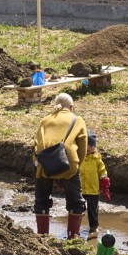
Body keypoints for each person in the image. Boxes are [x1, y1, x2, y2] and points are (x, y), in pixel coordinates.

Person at [33, 93, 88, 239]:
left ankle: (42, 236)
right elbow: (82, 149)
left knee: (41, 201)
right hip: (69, 163)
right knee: (76, 201)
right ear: (71, 107)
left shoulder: (45, 120)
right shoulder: (77, 120)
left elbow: (36, 145)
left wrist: (42, 166)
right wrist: (74, 168)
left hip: (45, 165)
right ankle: (73, 237)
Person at [78, 132, 110, 237]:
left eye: (92, 146)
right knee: (78, 208)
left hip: (93, 189)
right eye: (88, 145)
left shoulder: (97, 159)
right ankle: (75, 227)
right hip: (81, 188)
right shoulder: (79, 157)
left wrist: (105, 183)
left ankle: (93, 227)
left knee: (92, 209)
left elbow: (102, 171)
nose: (90, 148)